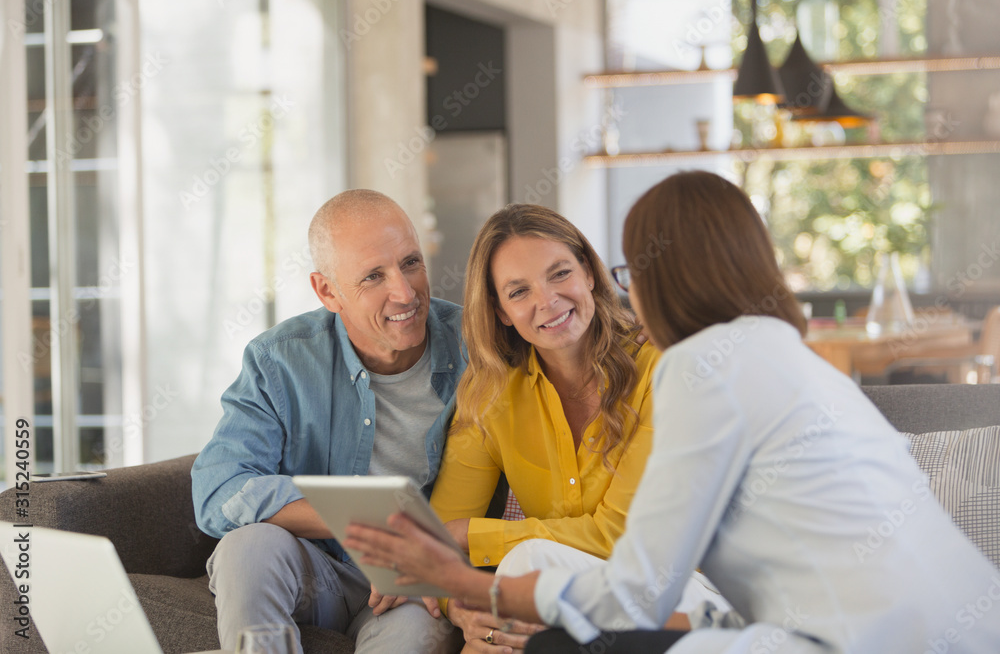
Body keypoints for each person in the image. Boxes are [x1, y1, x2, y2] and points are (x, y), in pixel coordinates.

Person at [343, 171, 1000, 653]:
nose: (548, 300)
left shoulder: (689, 367)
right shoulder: (777, 351)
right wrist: (466, 593)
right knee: (538, 585)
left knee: (548, 619)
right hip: (956, 624)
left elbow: (638, 585)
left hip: (863, 636)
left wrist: (473, 581)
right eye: (518, 290)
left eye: (626, 271)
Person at [428, 204, 725, 651]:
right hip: (580, 608)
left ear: (588, 272)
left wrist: (474, 536)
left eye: (560, 274)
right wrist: (463, 611)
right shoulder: (490, 392)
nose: (547, 301)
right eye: (519, 291)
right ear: (501, 311)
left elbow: (621, 536)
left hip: (690, 596)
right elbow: (437, 543)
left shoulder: (661, 369)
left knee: (528, 564)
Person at [191, 190, 465, 654]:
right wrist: (361, 521)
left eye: (411, 263)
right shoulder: (280, 359)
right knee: (247, 547)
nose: (405, 293)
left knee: (413, 634)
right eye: (373, 276)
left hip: (417, 579)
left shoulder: (475, 348)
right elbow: (219, 491)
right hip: (319, 568)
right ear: (327, 291)